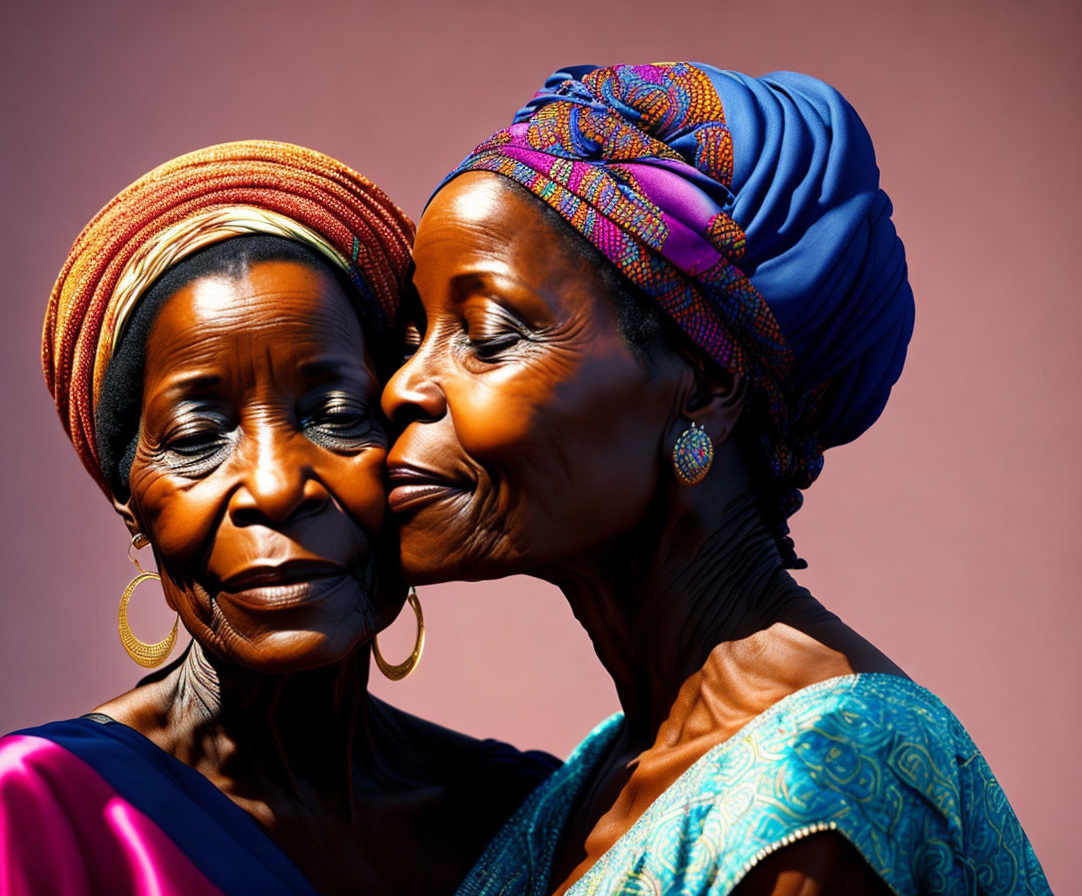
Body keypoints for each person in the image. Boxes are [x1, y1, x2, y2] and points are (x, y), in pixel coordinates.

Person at [382, 64, 1050, 895]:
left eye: (484, 335)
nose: (401, 386)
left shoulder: (827, 776)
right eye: (415, 334)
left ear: (703, 386)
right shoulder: (592, 779)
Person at [0, 141, 556, 896]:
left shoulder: (523, 818)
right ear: (131, 504)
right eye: (197, 440)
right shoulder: (23, 823)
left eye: (335, 416)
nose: (274, 485)